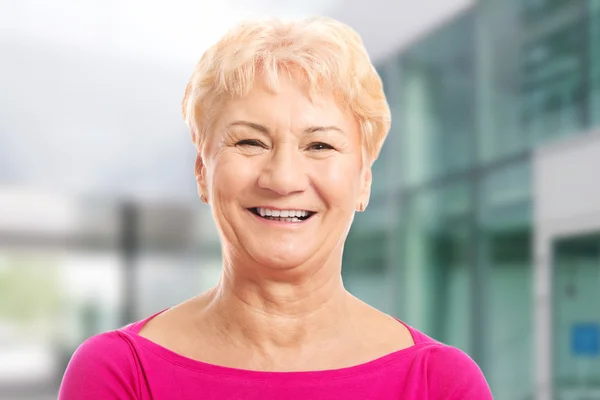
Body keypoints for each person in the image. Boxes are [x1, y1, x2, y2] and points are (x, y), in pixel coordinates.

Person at [59, 16, 493, 399]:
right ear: (201, 172)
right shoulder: (118, 374)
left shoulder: (441, 384)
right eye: (250, 141)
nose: (283, 179)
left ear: (364, 182)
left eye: (320, 145)